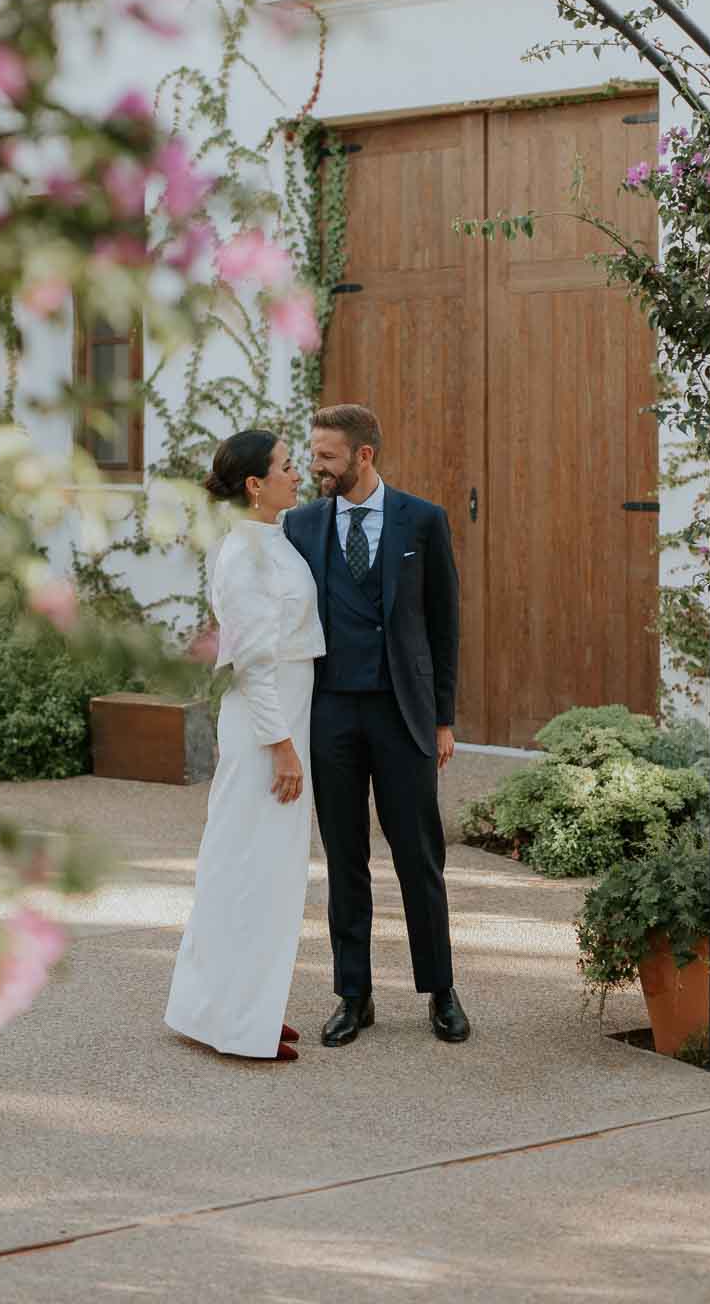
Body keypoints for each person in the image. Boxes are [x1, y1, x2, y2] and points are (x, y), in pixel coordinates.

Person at [282, 403, 470, 1047]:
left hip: (402, 713)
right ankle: (353, 996)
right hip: (330, 711)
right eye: (313, 454)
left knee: (420, 857)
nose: (317, 467)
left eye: (328, 456)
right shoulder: (299, 525)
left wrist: (444, 717)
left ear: (364, 455)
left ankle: (441, 991)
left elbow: (444, 628)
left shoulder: (424, 519)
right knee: (345, 859)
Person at [165, 430, 325, 1062]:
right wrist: (283, 748)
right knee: (250, 874)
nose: (297, 475)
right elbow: (254, 662)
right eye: (286, 467)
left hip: (285, 715)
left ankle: (240, 1007)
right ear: (255, 485)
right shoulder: (243, 557)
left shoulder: (270, 540)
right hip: (269, 725)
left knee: (261, 873)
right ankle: (234, 1022)